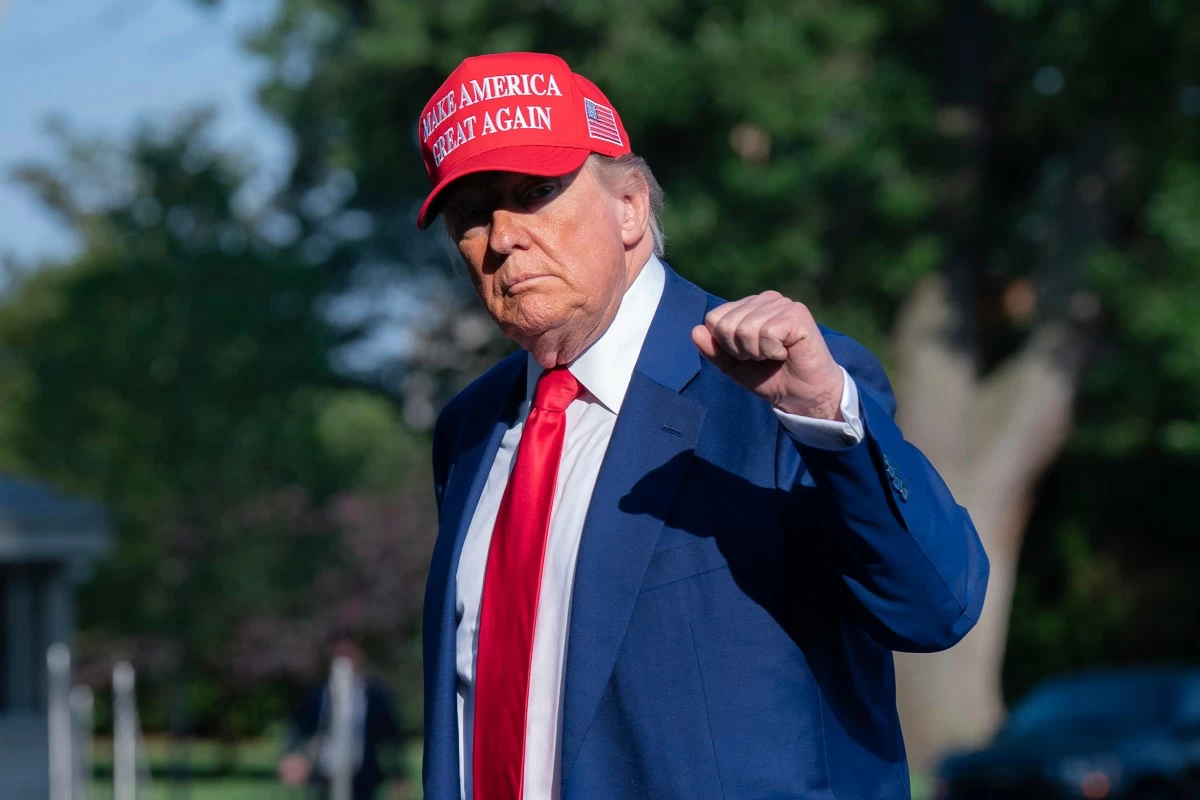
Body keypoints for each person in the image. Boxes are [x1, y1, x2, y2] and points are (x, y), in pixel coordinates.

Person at [417, 51, 989, 800]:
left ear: (629, 207)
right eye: (471, 214)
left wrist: (825, 418)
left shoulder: (786, 388)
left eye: (536, 193)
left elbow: (937, 608)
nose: (501, 238)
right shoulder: (467, 430)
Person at [278, 634, 403, 799]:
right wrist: (292, 754)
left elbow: (391, 738)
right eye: (338, 655)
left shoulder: (375, 695)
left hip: (363, 776)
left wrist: (398, 774)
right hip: (322, 776)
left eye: (349, 654)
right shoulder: (315, 694)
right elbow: (298, 729)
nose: (344, 661)